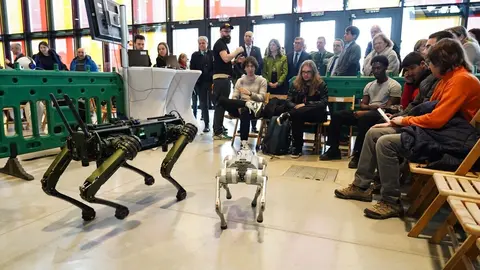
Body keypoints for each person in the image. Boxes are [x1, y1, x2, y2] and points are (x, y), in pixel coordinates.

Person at [334, 38, 480, 219]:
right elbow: (431, 112)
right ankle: (361, 186)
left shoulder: (462, 80)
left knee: (386, 142)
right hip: (440, 132)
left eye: (430, 63)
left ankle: (390, 201)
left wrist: (402, 121)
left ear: (442, 62)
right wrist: (396, 121)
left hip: (453, 141)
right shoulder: (447, 79)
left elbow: (437, 120)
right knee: (373, 132)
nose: (429, 67)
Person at [320, 55, 401, 168]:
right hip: (370, 111)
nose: (376, 71)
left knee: (365, 118)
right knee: (337, 115)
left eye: (379, 68)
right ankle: (333, 150)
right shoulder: (369, 85)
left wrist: (369, 109)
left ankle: (357, 155)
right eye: (374, 68)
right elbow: (363, 104)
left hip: (382, 116)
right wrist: (372, 107)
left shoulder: (394, 85)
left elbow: (388, 108)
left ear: (385, 68)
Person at [277, 60, 328, 158]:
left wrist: (305, 104)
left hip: (316, 113)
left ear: (313, 72)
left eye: (308, 72)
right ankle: (297, 147)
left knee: (300, 112)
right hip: (299, 112)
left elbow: (323, 103)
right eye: (303, 72)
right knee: (297, 115)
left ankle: (288, 115)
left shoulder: (321, 84)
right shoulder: (296, 83)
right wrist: (295, 106)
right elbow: (288, 100)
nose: (306, 74)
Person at [216, 56, 265, 149]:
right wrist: (237, 105)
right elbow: (235, 96)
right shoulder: (240, 80)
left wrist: (250, 94)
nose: (250, 69)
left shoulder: (261, 80)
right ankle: (244, 104)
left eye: (252, 66)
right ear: (244, 68)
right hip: (239, 107)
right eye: (248, 66)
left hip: (254, 109)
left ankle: (244, 141)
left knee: (245, 110)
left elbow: (261, 98)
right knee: (222, 100)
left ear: (255, 67)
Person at [212, 23, 244, 140]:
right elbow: (225, 58)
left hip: (223, 78)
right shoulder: (220, 43)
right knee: (221, 104)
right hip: (221, 79)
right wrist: (237, 51)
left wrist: (235, 61)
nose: (227, 33)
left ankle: (218, 129)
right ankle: (217, 132)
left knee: (221, 104)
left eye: (229, 32)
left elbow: (225, 61)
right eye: (225, 31)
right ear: (220, 32)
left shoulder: (223, 44)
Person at [190, 36, 214, 133]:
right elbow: (192, 69)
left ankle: (218, 125)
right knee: (203, 104)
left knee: (215, 102)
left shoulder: (212, 54)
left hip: (211, 81)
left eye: (203, 43)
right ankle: (206, 124)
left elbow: (215, 66)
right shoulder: (195, 55)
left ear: (207, 44)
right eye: (199, 43)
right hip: (200, 82)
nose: (201, 45)